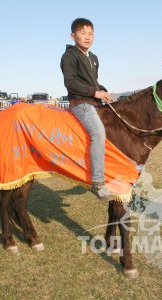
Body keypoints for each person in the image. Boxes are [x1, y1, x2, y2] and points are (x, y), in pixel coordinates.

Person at [60, 18, 114, 201]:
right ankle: (98, 183)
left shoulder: (93, 58)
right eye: (83, 33)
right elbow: (71, 82)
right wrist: (95, 93)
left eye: (91, 33)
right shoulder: (69, 56)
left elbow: (94, 82)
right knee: (98, 133)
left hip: (94, 101)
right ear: (73, 35)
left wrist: (102, 90)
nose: (87, 37)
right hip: (80, 103)